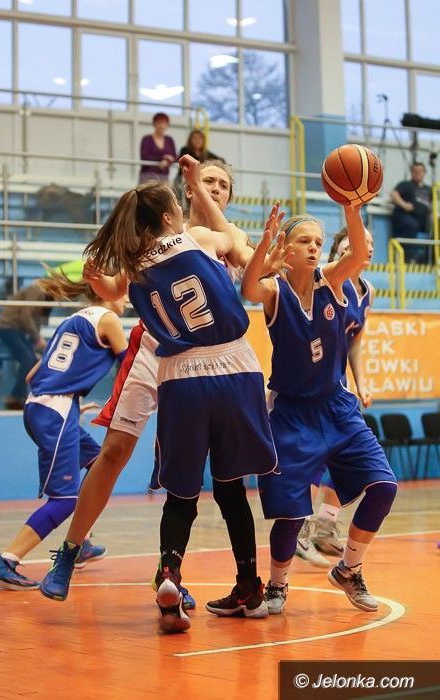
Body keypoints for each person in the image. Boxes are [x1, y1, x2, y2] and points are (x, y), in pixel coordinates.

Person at [40, 155, 284, 635]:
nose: (214, 188)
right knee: (116, 451)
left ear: (228, 195)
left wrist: (95, 277)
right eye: (206, 180)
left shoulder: (182, 245)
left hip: (191, 362)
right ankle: (69, 551)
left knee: (190, 485)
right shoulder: (200, 238)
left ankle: (169, 572)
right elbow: (116, 287)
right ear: (185, 194)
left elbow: (242, 265)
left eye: (223, 184)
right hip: (166, 350)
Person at [241, 204, 398, 616]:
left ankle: (349, 568)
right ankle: (278, 584)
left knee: (384, 486)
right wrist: (264, 247)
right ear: (287, 249)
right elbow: (248, 291)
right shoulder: (275, 290)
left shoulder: (333, 279)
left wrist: (351, 207)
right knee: (291, 513)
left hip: (337, 406)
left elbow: (359, 252)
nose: (313, 247)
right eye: (304, 241)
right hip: (291, 412)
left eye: (317, 241)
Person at [0, 273, 128, 591]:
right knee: (64, 499)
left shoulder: (72, 321)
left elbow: (33, 375)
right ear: (106, 290)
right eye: (124, 291)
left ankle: (81, 542)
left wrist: (71, 398)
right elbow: (129, 367)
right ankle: (6, 561)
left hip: (45, 406)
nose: (128, 298)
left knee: (99, 463)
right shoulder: (108, 320)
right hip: (56, 411)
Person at [296, 226, 376, 565]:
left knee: (346, 459)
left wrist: (361, 382)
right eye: (357, 240)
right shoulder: (325, 282)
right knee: (317, 456)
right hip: (311, 380)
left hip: (338, 384)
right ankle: (300, 530)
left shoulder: (367, 291)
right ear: (339, 248)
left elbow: (355, 342)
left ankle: (325, 527)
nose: (364, 245)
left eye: (370, 242)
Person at [0, 282, 53, 410]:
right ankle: (15, 398)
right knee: (28, 358)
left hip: (19, 331)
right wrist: (37, 338)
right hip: (7, 327)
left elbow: (38, 320)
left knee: (34, 358)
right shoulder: (36, 290)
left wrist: (36, 341)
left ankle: (28, 397)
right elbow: (25, 315)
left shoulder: (50, 298)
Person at [390, 162, 432, 263]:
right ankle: (408, 258)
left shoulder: (429, 189)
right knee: (411, 225)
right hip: (405, 216)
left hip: (423, 219)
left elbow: (434, 204)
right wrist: (404, 205)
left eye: (420, 171)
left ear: (424, 173)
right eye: (415, 171)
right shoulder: (405, 185)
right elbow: (393, 194)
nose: (417, 173)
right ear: (411, 172)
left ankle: (429, 259)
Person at [173, 129, 223, 201]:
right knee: (180, 198)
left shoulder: (205, 153)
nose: (197, 140)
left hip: (197, 180)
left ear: (203, 141)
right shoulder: (185, 150)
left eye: (200, 138)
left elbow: (221, 160)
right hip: (182, 179)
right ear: (190, 140)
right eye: (195, 138)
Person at [139, 112, 177, 184]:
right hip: (147, 176)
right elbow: (144, 157)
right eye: (159, 122)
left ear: (167, 125)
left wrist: (168, 161)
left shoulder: (169, 140)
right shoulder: (146, 139)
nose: (161, 125)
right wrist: (164, 158)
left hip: (164, 176)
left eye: (164, 123)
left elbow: (175, 157)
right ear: (154, 124)